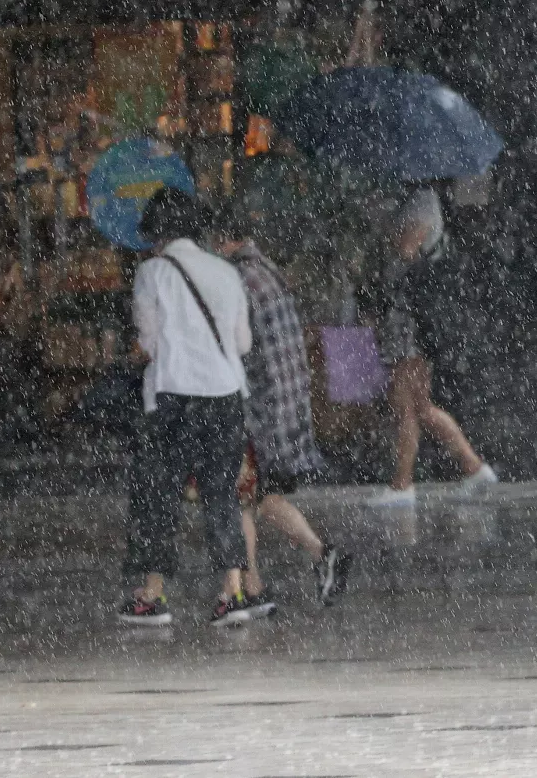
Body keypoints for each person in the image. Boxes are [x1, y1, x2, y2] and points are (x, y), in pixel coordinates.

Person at [119, 188, 253, 627]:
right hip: (226, 396)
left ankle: (152, 596)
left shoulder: (151, 273)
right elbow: (243, 343)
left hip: (173, 398)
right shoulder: (226, 272)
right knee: (221, 496)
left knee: (160, 495)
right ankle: (231, 592)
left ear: (157, 232)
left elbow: (149, 341)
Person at [216, 212, 351, 612]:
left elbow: (240, 343)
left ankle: (253, 586)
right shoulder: (268, 273)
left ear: (224, 241)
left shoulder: (239, 280)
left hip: (256, 405)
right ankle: (269, 578)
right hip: (284, 404)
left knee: (241, 497)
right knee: (259, 496)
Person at [361, 186, 497, 504]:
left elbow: (406, 249)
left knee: (405, 408)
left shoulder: (424, 200)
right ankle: (473, 467)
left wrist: (390, 232)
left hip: (410, 324)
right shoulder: (404, 199)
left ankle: (402, 485)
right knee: (420, 408)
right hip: (404, 322)